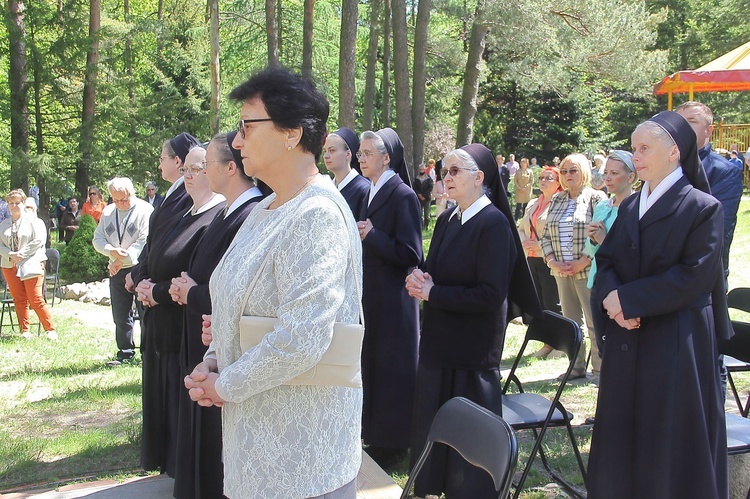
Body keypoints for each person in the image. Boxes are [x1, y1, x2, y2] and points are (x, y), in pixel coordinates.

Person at [184, 66, 362, 498]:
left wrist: (223, 385)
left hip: (302, 460)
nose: (237, 141)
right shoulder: (265, 210)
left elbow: (302, 337)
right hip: (257, 441)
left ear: (291, 133)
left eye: (247, 126)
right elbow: (232, 299)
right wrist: (214, 358)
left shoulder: (316, 214)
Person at [587, 111, 730, 499]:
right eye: (634, 149)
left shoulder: (703, 208)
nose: (637, 157)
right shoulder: (631, 206)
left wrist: (629, 301)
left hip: (674, 341)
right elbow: (608, 259)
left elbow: (694, 276)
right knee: (625, 434)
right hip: (627, 336)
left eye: (644, 148)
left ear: (674, 152)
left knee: (666, 437)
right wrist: (615, 302)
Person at [405, 144, 541, 498]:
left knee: (470, 453)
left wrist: (433, 293)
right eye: (443, 172)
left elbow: (490, 295)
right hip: (440, 342)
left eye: (453, 172)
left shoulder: (493, 224)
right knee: (438, 434)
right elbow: (435, 272)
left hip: (471, 349)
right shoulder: (449, 218)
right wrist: (419, 280)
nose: (444, 178)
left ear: (479, 178)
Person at [169, 130, 266, 499]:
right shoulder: (229, 209)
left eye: (207, 163)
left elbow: (240, 291)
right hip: (209, 336)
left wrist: (191, 293)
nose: (201, 171)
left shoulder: (249, 212)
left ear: (230, 166)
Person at [135, 145, 225, 480]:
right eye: (184, 169)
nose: (187, 176)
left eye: (195, 169)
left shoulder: (216, 214)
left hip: (189, 323)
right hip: (167, 321)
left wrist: (158, 292)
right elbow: (157, 251)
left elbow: (192, 271)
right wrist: (144, 281)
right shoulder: (184, 211)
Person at [356, 127, 422, 463]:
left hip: (395, 299)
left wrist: (373, 236)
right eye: (360, 153)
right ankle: (377, 435)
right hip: (375, 295)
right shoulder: (372, 189)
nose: (361, 158)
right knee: (375, 366)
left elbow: (411, 253)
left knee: (393, 369)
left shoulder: (402, 194)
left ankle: (394, 444)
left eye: (368, 153)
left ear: (387, 157)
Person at [134, 131, 198, 473]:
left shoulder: (189, 198)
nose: (159, 163)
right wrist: (139, 274)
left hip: (173, 308)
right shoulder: (170, 196)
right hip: (155, 297)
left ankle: (172, 459)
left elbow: (179, 252)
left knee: (174, 390)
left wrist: (154, 288)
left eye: (163, 157)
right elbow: (154, 244)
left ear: (179, 161)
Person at [540, 154, 607, 380]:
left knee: (593, 322)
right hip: (560, 270)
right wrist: (551, 260)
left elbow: (600, 232)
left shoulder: (596, 198)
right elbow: (546, 234)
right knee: (570, 322)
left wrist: (583, 260)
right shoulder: (557, 200)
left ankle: (599, 368)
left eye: (573, 171)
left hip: (587, 271)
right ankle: (576, 367)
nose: (568, 175)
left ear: (585, 172)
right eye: (565, 171)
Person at [675, 101, 742, 287]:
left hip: (702, 274)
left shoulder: (724, 171)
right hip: (661, 271)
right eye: (679, 121)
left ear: (709, 130)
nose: (683, 127)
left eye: (692, 121)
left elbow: (719, 228)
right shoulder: (663, 167)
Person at [93, 178, 153, 364]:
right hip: (116, 269)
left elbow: (145, 240)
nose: (120, 204)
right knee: (120, 313)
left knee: (145, 312)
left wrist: (121, 259)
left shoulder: (145, 210)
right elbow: (98, 239)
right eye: (116, 200)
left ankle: (148, 352)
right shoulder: (108, 212)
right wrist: (111, 252)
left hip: (140, 268)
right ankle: (125, 350)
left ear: (132, 193)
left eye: (124, 199)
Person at [0, 189, 56, 340]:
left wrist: (21, 254)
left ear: (24, 203)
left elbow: (38, 241)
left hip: (31, 263)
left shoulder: (34, 221)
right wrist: (11, 255)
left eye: (17, 203)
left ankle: (50, 330)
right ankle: (25, 331)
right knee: (19, 299)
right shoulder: (4, 224)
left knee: (35, 298)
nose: (14, 206)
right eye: (11, 203)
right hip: (9, 264)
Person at [519, 166, 563, 358]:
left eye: (549, 178)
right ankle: (547, 341)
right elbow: (521, 227)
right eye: (541, 177)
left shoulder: (560, 202)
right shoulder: (533, 203)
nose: (543, 180)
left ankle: (559, 344)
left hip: (549, 258)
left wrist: (538, 245)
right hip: (532, 257)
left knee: (553, 302)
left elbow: (559, 233)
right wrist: (524, 242)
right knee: (541, 303)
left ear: (558, 182)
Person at [323, 127, 370, 217]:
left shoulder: (363, 189)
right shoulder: (327, 187)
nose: (326, 156)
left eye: (332, 150)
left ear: (348, 154)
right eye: (325, 151)